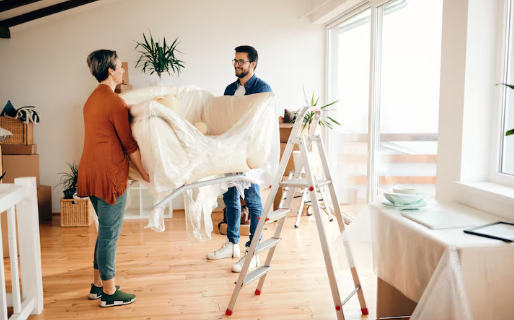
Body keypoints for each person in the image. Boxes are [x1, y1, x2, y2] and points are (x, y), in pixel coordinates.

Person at [77, 49, 150, 307]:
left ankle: (97, 286)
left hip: (90, 173)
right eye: (120, 67)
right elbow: (129, 145)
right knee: (109, 234)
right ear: (110, 70)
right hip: (109, 176)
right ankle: (109, 293)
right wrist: (146, 173)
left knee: (103, 232)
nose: (122, 71)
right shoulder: (114, 101)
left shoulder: (92, 99)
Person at [206, 45, 272, 273]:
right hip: (230, 151)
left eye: (241, 61)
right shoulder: (229, 89)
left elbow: (261, 125)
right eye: (235, 60)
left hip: (250, 154)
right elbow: (224, 118)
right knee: (231, 197)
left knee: (253, 201)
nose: (236, 64)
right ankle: (232, 244)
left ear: (253, 64)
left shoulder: (263, 89)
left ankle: (252, 251)